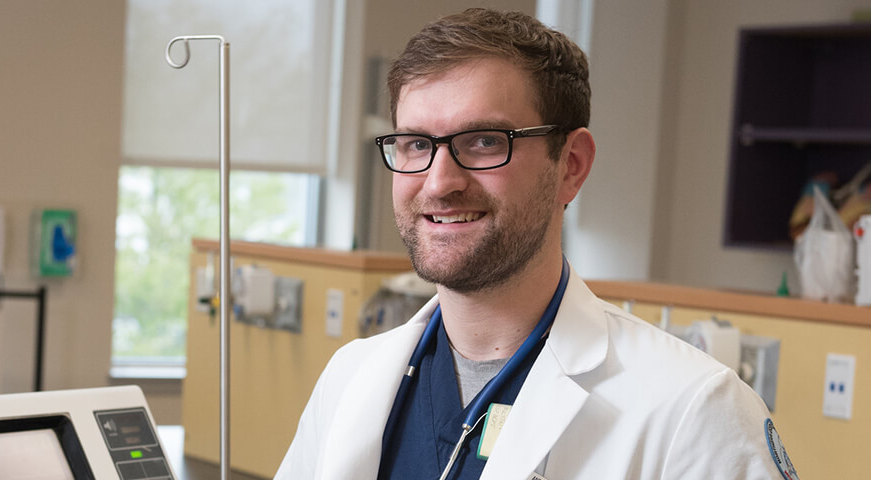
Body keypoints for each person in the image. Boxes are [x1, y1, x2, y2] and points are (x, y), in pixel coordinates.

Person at [276, 8, 797, 480]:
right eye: (415, 144)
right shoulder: (350, 377)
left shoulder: (693, 409)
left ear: (571, 166)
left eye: (483, 141)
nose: (438, 182)